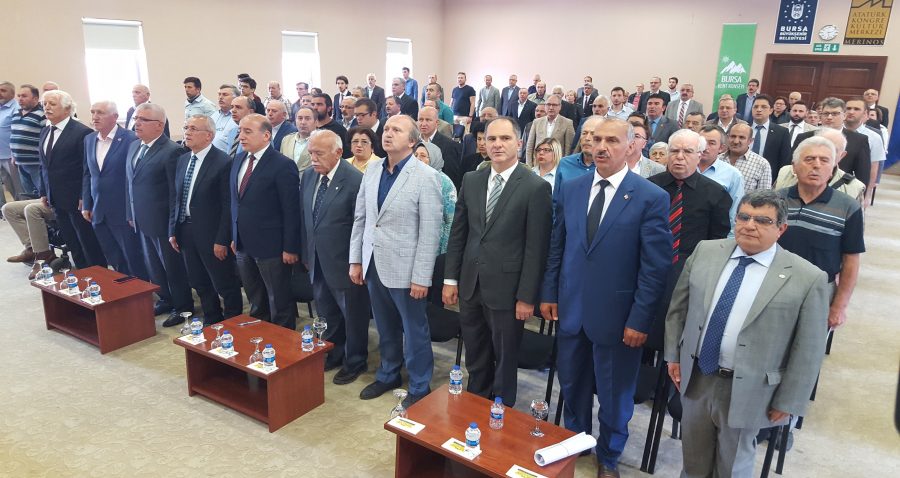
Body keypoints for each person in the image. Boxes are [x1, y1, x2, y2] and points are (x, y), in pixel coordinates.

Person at [665, 190, 829, 478]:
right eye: (744, 217)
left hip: (750, 388)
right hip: (697, 377)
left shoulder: (807, 277)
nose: (750, 225)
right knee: (693, 462)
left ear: (781, 229)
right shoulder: (706, 252)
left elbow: (809, 348)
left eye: (762, 221)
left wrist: (790, 400)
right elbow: (679, 309)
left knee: (733, 466)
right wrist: (673, 356)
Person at [541, 118, 671, 477]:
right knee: (572, 383)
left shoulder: (650, 197)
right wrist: (550, 293)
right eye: (596, 138)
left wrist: (640, 320)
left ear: (631, 146)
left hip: (619, 318)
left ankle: (609, 456)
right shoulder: (572, 188)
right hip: (571, 308)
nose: (601, 146)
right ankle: (576, 441)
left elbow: (655, 268)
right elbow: (558, 246)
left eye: (611, 140)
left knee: (614, 394)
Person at [444, 116, 552, 407]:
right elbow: (459, 233)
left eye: (505, 138)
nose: (497, 144)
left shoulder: (535, 187)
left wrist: (526, 297)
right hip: (471, 283)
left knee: (505, 356)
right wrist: (450, 279)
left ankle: (501, 408)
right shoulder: (472, 180)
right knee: (475, 350)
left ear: (519, 143)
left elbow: (536, 248)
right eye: (491, 139)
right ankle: (476, 401)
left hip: (508, 289)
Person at [350, 114, 442, 408]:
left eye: (396, 130)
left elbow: (430, 232)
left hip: (407, 268)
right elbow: (362, 219)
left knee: (414, 331)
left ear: (412, 141)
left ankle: (419, 385)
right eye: (387, 128)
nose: (388, 133)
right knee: (385, 326)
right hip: (374, 262)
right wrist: (356, 260)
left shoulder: (425, 177)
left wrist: (422, 277)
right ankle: (388, 373)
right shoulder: (372, 169)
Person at [299, 129, 371, 383]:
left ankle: (355, 361)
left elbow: (361, 227)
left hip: (344, 262)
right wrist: (306, 252)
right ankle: (333, 352)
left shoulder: (355, 180)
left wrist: (357, 262)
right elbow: (306, 218)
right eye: (310, 153)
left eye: (319, 153)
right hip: (317, 259)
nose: (313, 159)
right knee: (326, 312)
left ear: (338, 152)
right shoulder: (309, 176)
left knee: (352, 316)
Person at [777, 136, 864, 330]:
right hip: (773, 286)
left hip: (820, 292)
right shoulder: (776, 200)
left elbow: (851, 260)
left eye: (824, 160)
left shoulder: (848, 207)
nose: (816, 165)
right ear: (794, 167)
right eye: (809, 159)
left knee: (809, 346)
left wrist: (839, 306)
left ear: (832, 169)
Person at [169, 115, 243, 325]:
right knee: (198, 280)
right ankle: (212, 317)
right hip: (185, 229)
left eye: (193, 128)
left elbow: (228, 206)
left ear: (209, 135)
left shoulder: (222, 162)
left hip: (212, 233)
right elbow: (176, 198)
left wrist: (222, 239)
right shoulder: (183, 159)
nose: (187, 132)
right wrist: (172, 229)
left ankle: (233, 321)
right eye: (186, 127)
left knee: (224, 282)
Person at [230, 114, 301, 330]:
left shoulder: (282, 165)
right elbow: (235, 202)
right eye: (240, 131)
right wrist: (233, 236)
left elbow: (291, 210)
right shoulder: (239, 160)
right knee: (255, 298)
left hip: (272, 246)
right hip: (243, 243)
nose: (241, 136)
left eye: (248, 131)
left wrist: (290, 247)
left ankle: (283, 342)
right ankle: (259, 336)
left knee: (278, 301)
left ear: (266, 135)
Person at [126, 102, 193, 324]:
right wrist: (130, 212)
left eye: (143, 120)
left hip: (163, 221)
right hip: (142, 219)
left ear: (159, 125)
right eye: (136, 118)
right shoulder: (135, 146)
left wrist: (173, 226)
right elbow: (130, 184)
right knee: (153, 265)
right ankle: (165, 299)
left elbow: (176, 194)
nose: (137, 123)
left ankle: (182, 306)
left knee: (172, 267)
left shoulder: (172, 151)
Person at [38, 90, 106, 269]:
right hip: (55, 197)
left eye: (52, 104)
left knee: (88, 242)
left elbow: (87, 168)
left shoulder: (81, 132)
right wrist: (44, 191)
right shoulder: (45, 130)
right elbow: (44, 165)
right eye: (45, 104)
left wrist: (84, 196)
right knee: (72, 242)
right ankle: (82, 273)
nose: (47, 107)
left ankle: (99, 275)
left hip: (76, 198)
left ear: (67, 109)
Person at [81, 101, 147, 280]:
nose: (95, 117)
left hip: (122, 211)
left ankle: (141, 291)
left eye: (100, 113)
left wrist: (131, 211)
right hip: (99, 210)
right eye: (93, 112)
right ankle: (124, 289)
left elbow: (133, 179)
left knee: (133, 257)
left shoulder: (131, 139)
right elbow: (87, 173)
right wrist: (86, 203)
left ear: (115, 117)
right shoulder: (89, 139)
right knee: (114, 257)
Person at [413, 141, 456, 254]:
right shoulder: (411, 178)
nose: (418, 159)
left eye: (423, 156)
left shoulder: (444, 183)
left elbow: (450, 220)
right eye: (415, 155)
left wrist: (444, 251)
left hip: (435, 244)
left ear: (434, 158)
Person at [3, 198, 56, 279]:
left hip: (64, 199)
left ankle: (43, 253)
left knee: (31, 209)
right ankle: (31, 249)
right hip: (49, 196)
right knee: (8, 209)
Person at [10, 84, 46, 199]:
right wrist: (13, 155)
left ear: (35, 99)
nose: (20, 99)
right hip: (20, 163)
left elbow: (46, 138)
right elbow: (14, 135)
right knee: (29, 195)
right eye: (19, 96)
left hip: (36, 164)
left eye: (24, 96)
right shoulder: (16, 114)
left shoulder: (42, 115)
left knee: (42, 195)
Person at [525, 94, 575, 166]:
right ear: (545, 106)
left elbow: (569, 149)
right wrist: (529, 166)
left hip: (557, 165)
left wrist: (565, 167)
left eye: (554, 105)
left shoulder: (567, 123)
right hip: (537, 164)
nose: (551, 107)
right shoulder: (536, 122)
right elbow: (529, 146)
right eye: (548, 104)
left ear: (560, 107)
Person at [721, 123, 772, 192]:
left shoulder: (762, 164)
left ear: (750, 141)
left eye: (741, 137)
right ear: (727, 137)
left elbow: (764, 196)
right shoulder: (718, 160)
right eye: (733, 136)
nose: (736, 141)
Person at [280, 106, 316, 172]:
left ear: (316, 122)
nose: (303, 122)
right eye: (300, 118)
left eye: (307, 119)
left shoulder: (321, 141)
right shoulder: (286, 140)